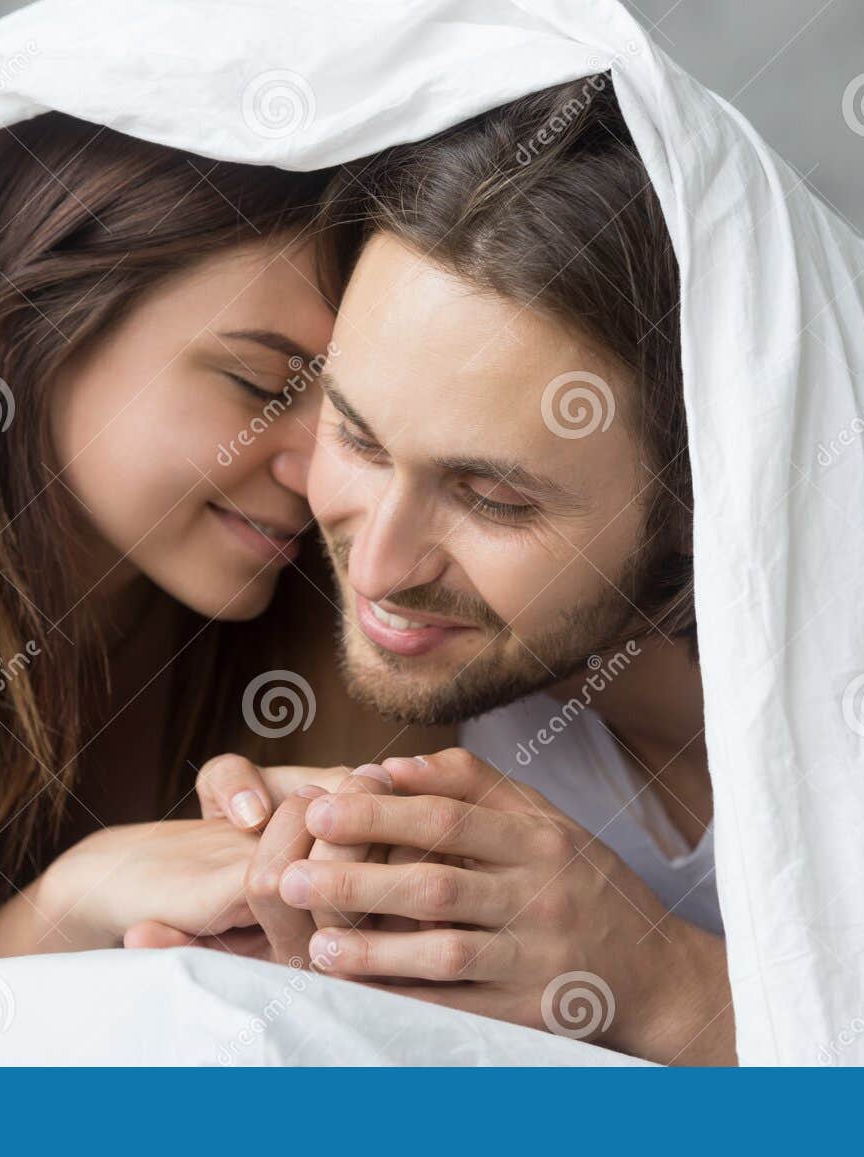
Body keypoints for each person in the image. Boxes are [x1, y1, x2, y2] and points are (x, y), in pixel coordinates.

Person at [0, 112, 450, 1057]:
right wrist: (70, 906)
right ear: (29, 326)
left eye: (354, 420)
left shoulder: (341, 630)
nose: (322, 474)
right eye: (256, 385)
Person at [194, 77, 736, 1066]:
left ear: (706, 503)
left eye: (494, 498)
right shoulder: (372, 685)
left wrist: (670, 988)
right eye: (357, 438)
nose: (380, 566)